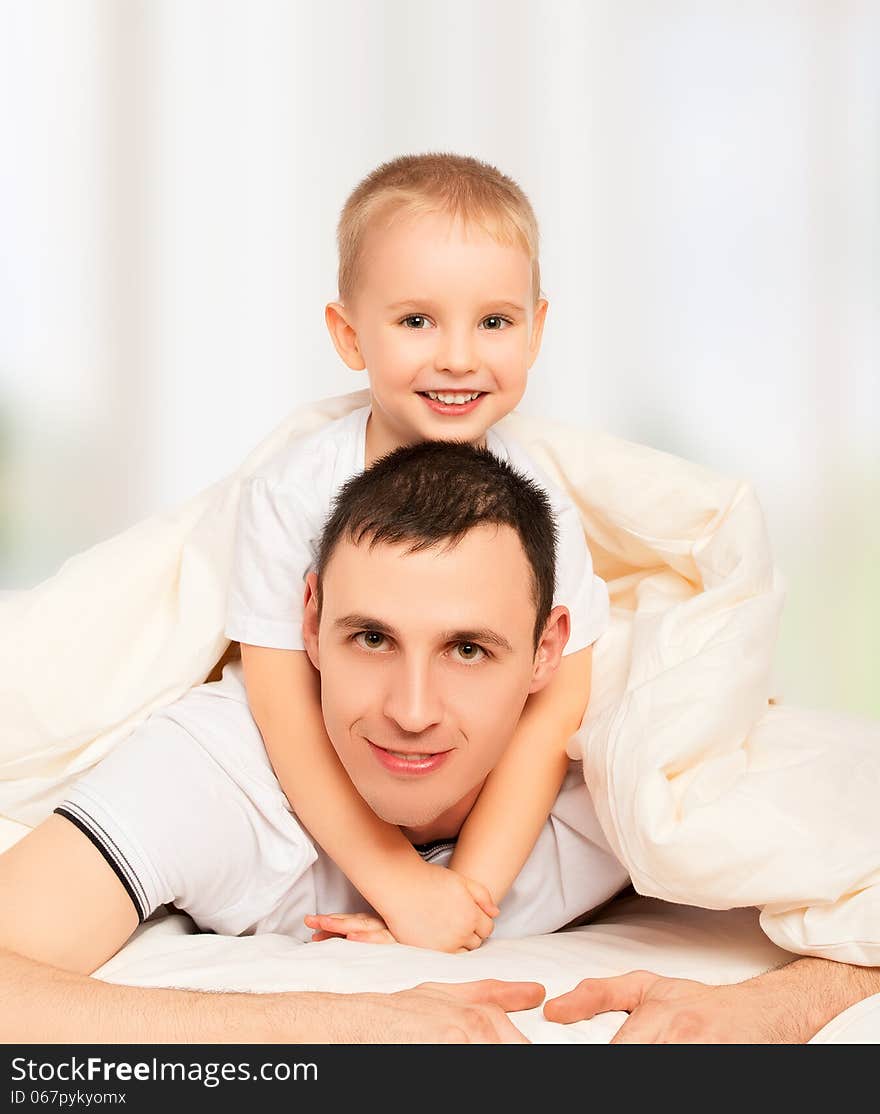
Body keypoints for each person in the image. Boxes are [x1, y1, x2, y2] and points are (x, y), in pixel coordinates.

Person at [0, 440, 630, 1043]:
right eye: (373, 640)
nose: (411, 712)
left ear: (547, 651)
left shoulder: (616, 781)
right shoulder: (217, 775)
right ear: (310, 622)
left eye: (467, 650)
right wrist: (333, 1029)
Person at [226, 151, 609, 953]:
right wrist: (396, 880)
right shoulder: (295, 491)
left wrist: (465, 894)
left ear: (537, 331)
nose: (459, 358)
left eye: (494, 322)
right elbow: (281, 706)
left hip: (470, 791)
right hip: (334, 769)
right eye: (416, 320)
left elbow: (556, 709)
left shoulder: (539, 502)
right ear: (348, 334)